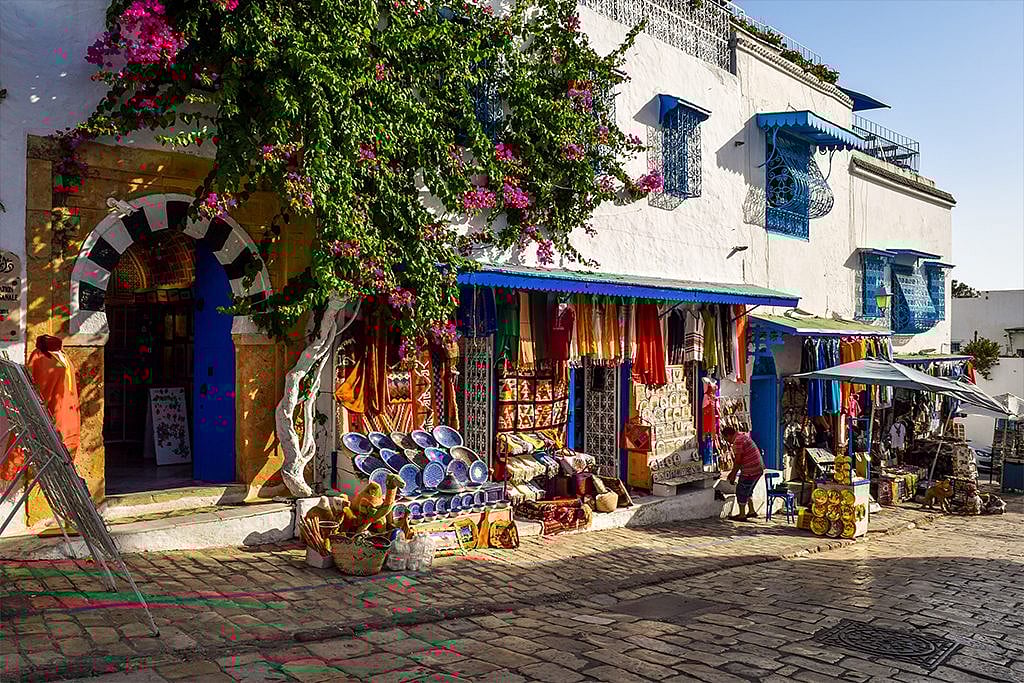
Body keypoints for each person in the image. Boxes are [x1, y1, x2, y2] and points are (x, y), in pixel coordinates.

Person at [723, 426, 764, 521]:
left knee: (741, 491)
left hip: (750, 470)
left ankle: (742, 514)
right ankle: (751, 510)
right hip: (758, 469)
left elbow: (738, 461)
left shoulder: (738, 441)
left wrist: (733, 474)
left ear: (729, 435)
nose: (728, 442)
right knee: (748, 491)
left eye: (726, 439)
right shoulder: (743, 437)